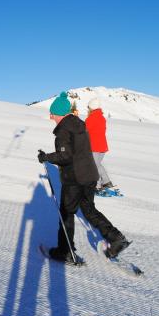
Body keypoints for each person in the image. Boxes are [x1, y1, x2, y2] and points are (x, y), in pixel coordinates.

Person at [38, 92, 128, 262]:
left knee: (66, 212)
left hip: (75, 179)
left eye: (52, 113)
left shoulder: (64, 130)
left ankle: (65, 252)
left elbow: (66, 156)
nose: (51, 117)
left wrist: (47, 157)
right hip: (90, 175)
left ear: (59, 113)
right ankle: (116, 239)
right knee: (89, 210)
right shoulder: (79, 124)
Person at [86, 98, 114, 190]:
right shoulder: (102, 118)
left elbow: (85, 131)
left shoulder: (90, 118)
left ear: (91, 108)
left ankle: (97, 186)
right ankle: (106, 182)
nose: (88, 109)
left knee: (94, 166)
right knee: (97, 164)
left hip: (94, 146)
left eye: (88, 107)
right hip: (102, 146)